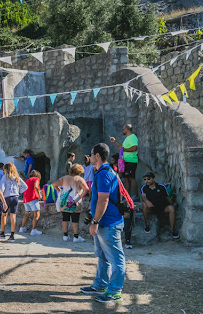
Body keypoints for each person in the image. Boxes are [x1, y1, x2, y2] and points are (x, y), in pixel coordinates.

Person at [80, 143, 125, 303]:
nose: (90, 156)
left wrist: (95, 221)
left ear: (97, 156)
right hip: (105, 222)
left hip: (108, 223)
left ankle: (114, 291)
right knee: (102, 256)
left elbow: (103, 199)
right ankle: (101, 284)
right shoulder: (102, 172)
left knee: (115, 258)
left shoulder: (103, 174)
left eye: (91, 154)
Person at [52, 164, 90, 243]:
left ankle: (65, 236)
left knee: (65, 218)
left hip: (64, 201)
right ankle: (76, 237)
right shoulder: (79, 179)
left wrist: (60, 191)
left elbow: (54, 184)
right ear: (79, 172)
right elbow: (86, 189)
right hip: (74, 202)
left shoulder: (64, 178)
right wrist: (81, 196)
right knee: (75, 220)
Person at [140, 172, 179, 239]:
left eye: (148, 179)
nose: (146, 181)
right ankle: (147, 224)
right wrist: (147, 201)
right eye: (145, 179)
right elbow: (143, 196)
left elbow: (168, 197)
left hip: (162, 207)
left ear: (153, 179)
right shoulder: (144, 188)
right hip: (151, 208)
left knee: (171, 208)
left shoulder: (161, 187)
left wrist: (172, 200)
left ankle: (172, 230)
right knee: (144, 204)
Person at [110, 124, 139, 199]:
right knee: (126, 178)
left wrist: (124, 150)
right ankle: (127, 195)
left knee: (131, 177)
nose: (122, 131)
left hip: (131, 160)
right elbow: (121, 147)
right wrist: (115, 141)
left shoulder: (132, 137)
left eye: (123, 129)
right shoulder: (127, 138)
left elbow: (134, 148)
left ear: (126, 129)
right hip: (125, 161)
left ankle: (135, 195)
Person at [0, 163, 27, 240]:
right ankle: (12, 235)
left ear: (6, 169)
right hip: (15, 197)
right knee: (13, 216)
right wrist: (19, 192)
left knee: (4, 215)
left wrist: (0, 197)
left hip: (7, 197)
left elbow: (1, 188)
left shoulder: (5, 177)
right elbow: (25, 186)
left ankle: (2, 232)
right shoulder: (16, 177)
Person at [19, 169, 43, 236]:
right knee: (36, 214)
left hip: (26, 199)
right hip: (32, 198)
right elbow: (36, 186)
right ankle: (33, 230)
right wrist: (39, 195)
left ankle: (22, 228)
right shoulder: (36, 179)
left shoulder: (28, 180)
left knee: (27, 214)